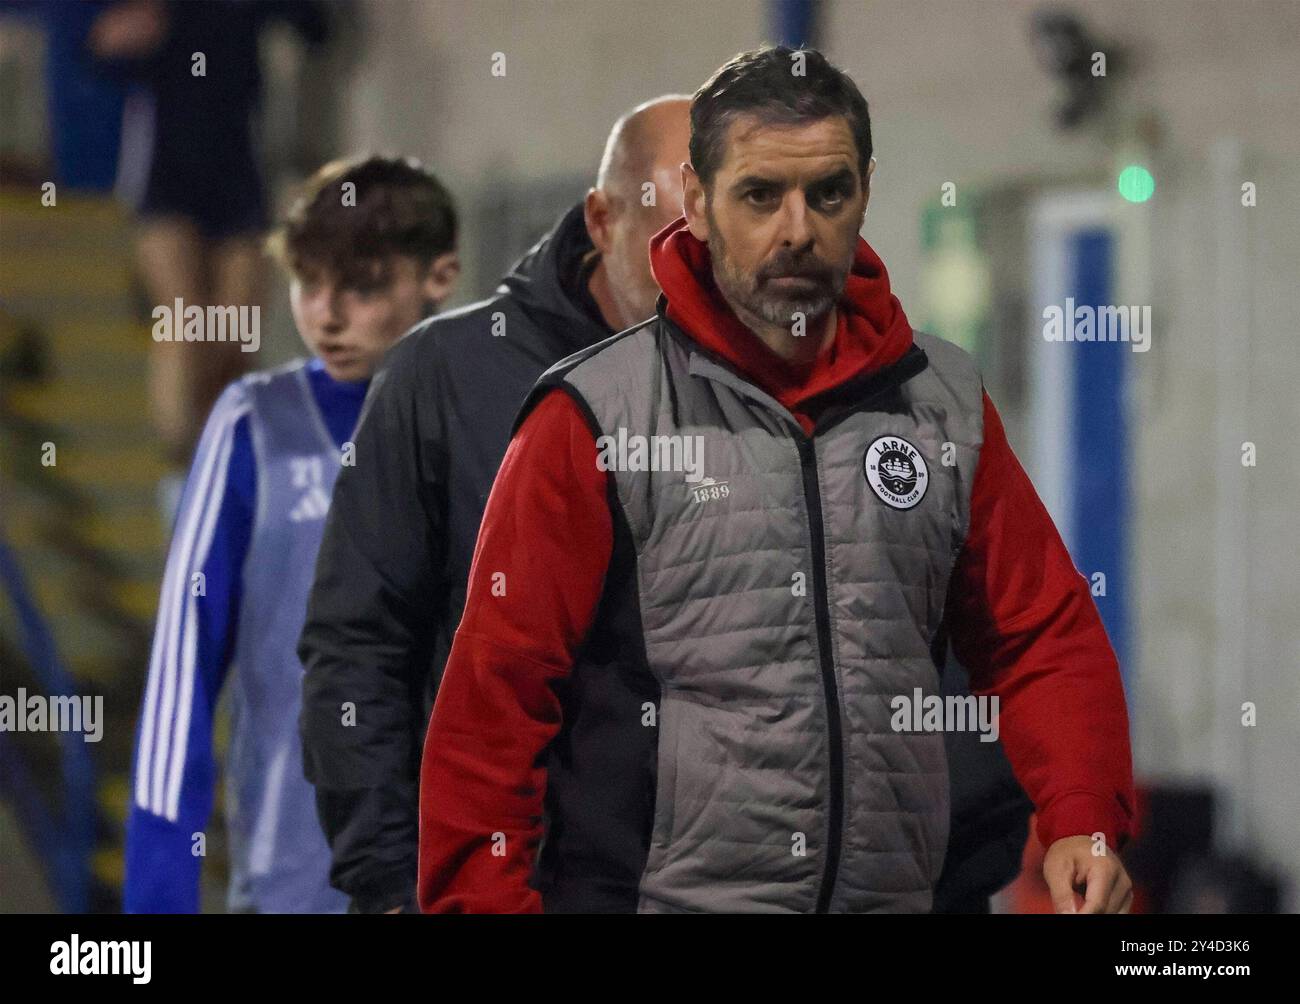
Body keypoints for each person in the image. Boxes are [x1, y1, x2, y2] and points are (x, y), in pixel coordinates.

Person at [417, 46, 1136, 914]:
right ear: (697, 201)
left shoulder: (940, 404)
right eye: (761, 195)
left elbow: (1041, 635)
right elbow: (491, 706)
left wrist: (1082, 818)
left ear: (863, 191)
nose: (797, 229)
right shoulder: (595, 418)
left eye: (827, 193)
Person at [297, 96, 692, 914]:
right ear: (602, 217)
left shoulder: (748, 383)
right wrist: (398, 885)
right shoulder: (448, 377)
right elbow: (358, 646)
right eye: (671, 241)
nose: (697, 270)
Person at [124, 156, 460, 912]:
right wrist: (154, 904)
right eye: (307, 282)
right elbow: (182, 678)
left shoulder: (491, 421)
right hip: (297, 882)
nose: (325, 314)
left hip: (463, 879)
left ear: (439, 277)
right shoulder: (256, 426)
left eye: (362, 286)